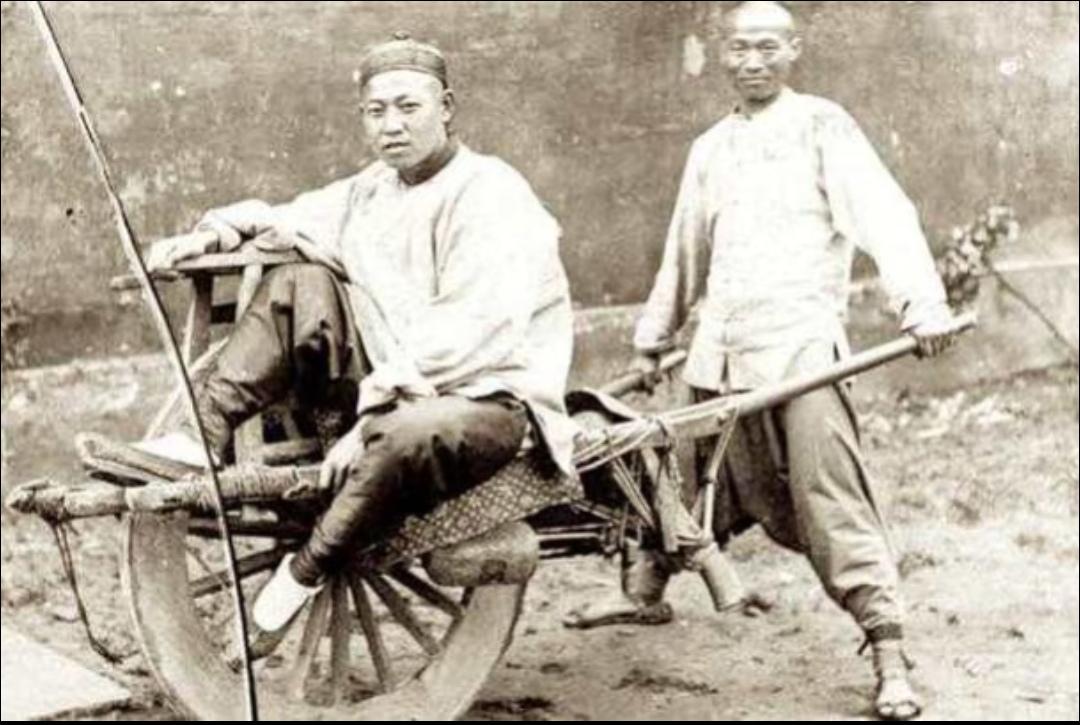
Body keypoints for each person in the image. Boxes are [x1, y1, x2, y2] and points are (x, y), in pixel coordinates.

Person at [577, 2, 959, 720]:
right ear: (721, 54)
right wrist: (655, 334)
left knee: (830, 500)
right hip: (719, 353)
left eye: (766, 48)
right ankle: (643, 593)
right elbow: (685, 247)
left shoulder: (822, 125)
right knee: (675, 484)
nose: (751, 62)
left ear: (793, 49)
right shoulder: (710, 148)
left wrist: (922, 304)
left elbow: (885, 214)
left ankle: (888, 649)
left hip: (799, 351)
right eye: (738, 49)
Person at [140, 32, 577, 632]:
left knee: (404, 435)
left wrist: (372, 419)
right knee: (300, 280)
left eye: (408, 107)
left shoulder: (492, 193)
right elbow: (286, 219)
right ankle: (202, 434)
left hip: (482, 398)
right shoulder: (372, 189)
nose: (391, 125)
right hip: (388, 381)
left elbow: (477, 331)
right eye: (376, 112)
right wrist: (211, 235)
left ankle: (306, 570)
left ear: (446, 107)